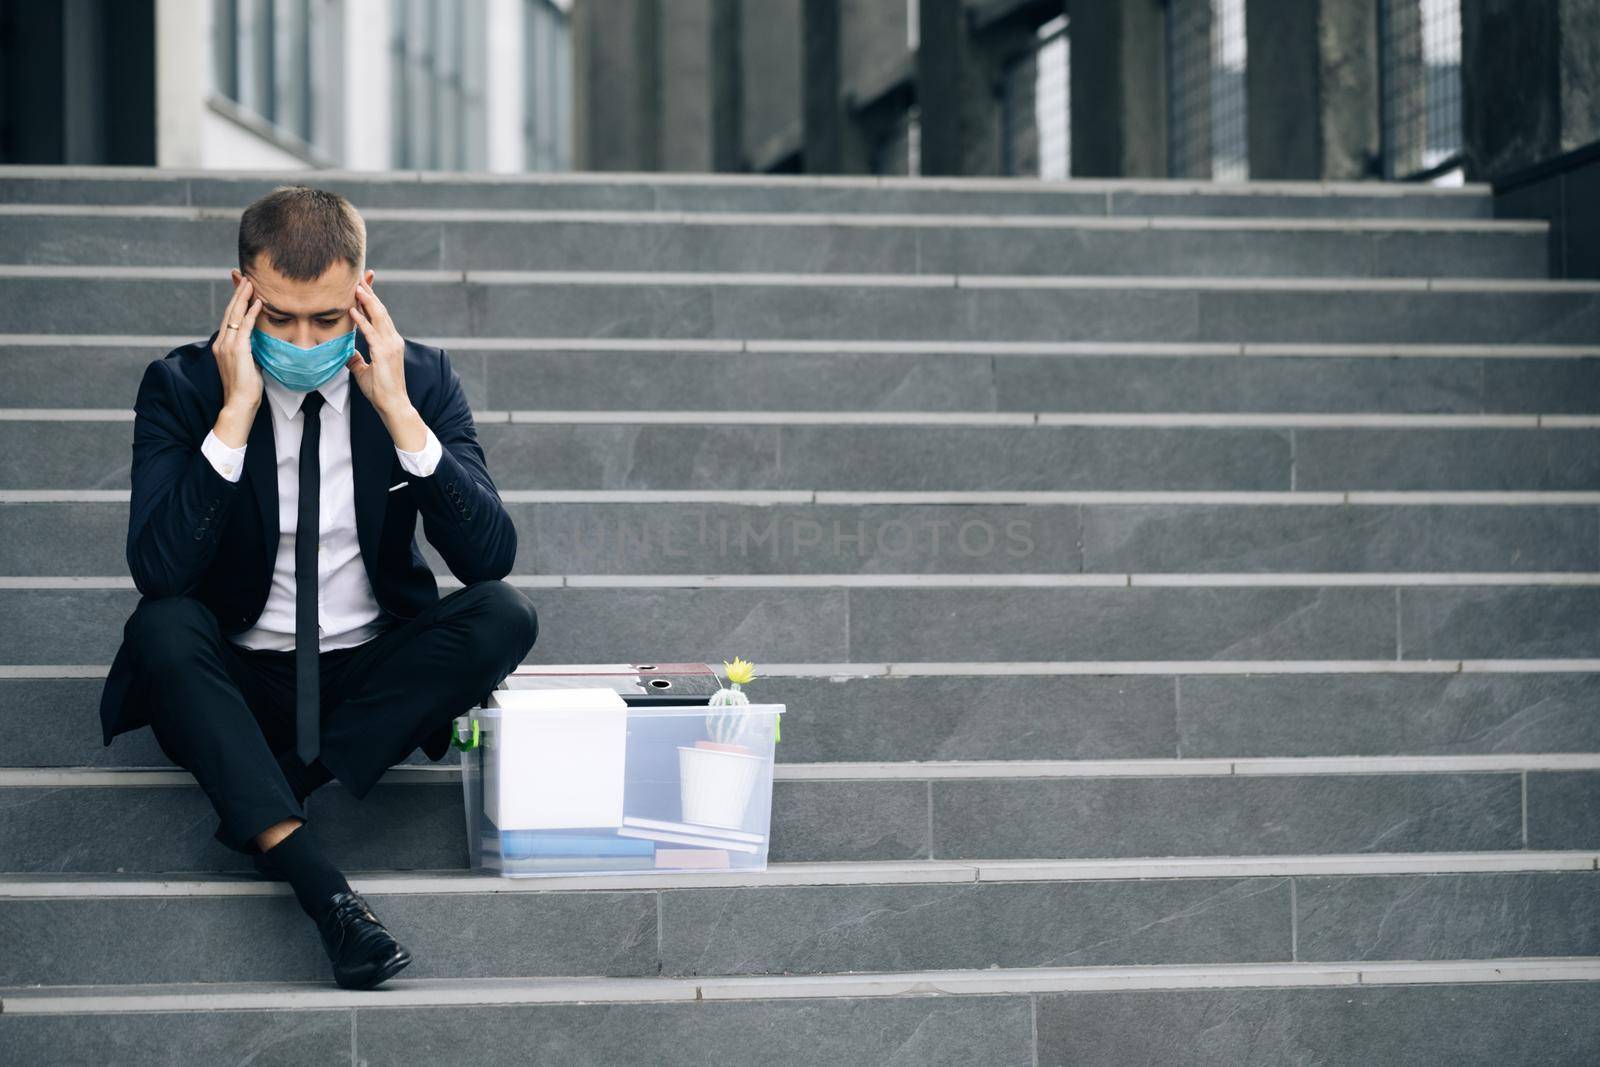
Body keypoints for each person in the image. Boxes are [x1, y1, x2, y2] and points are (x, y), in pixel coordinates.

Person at [96, 185, 539, 990]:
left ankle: (272, 796)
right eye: (280, 317)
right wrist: (234, 416)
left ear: (364, 294)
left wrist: (403, 417)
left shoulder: (422, 379)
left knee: (504, 615)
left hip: (364, 674)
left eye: (327, 319)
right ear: (242, 292)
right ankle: (324, 890)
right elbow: (158, 570)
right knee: (161, 627)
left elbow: (488, 559)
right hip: (240, 673)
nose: (304, 339)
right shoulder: (183, 387)